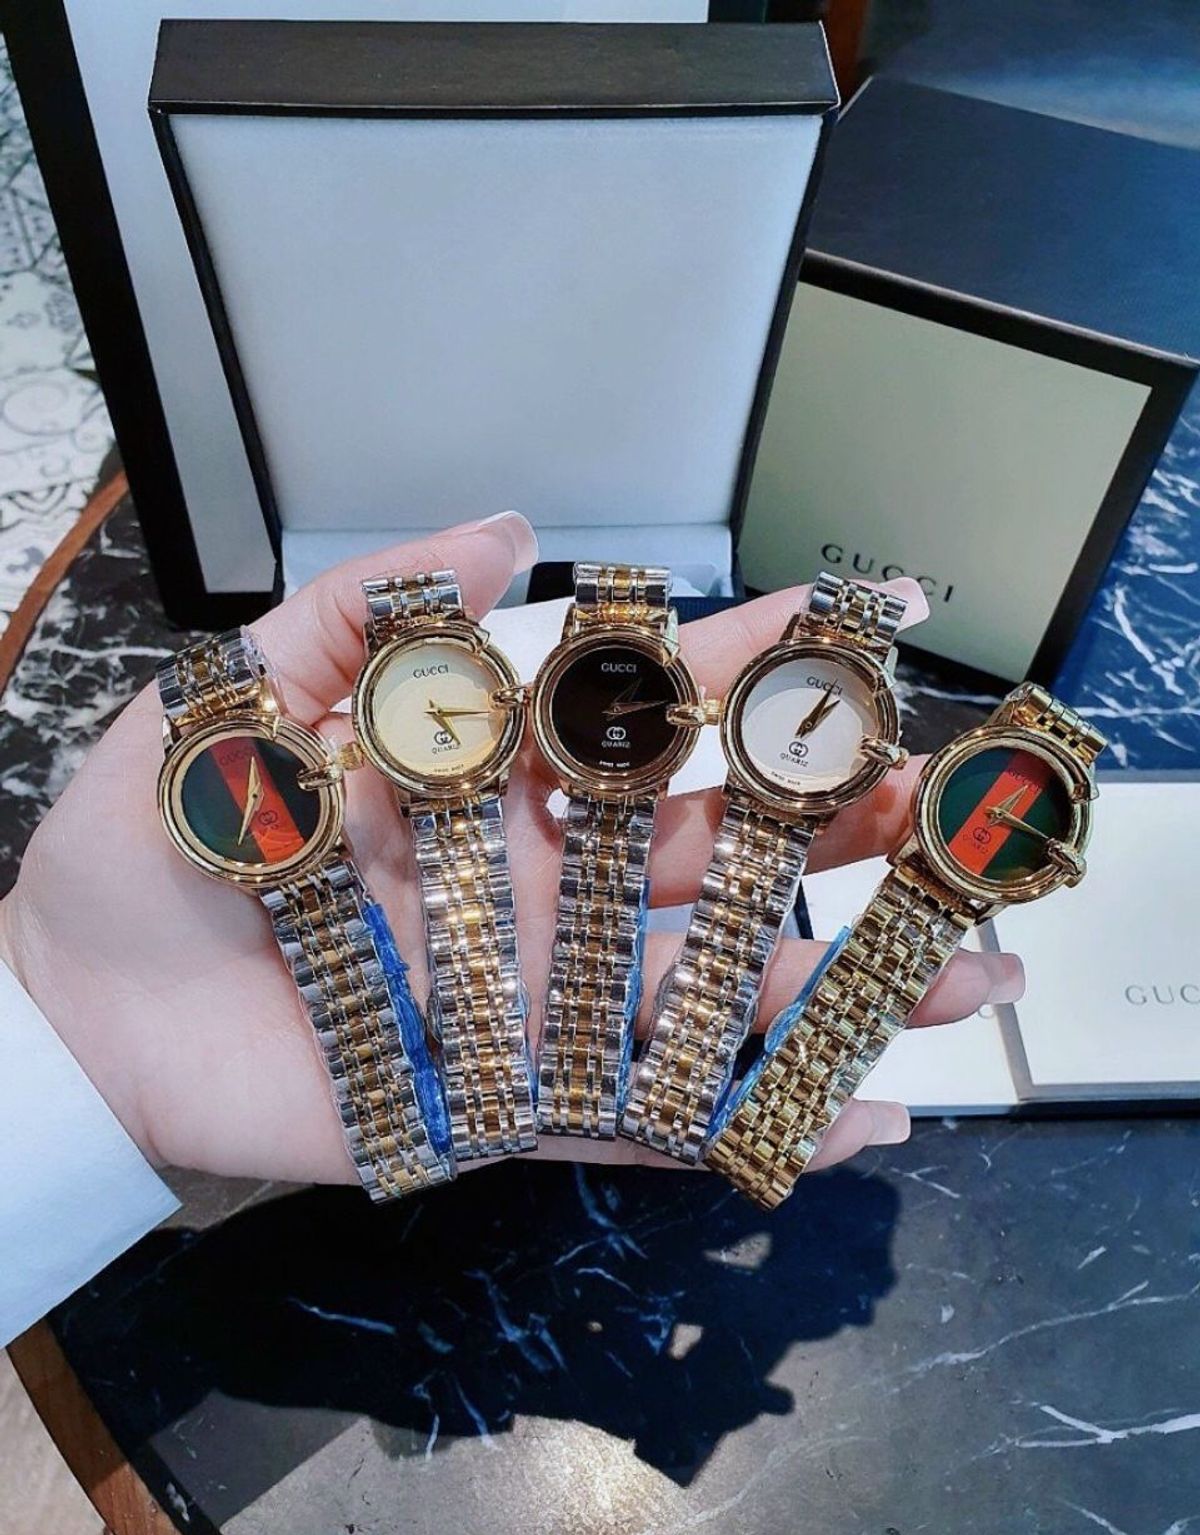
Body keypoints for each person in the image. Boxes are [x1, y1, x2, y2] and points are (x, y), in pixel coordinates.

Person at [0, 514, 1023, 1342]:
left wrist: (64, 1024)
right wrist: (61, 1002)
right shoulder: (325, 772)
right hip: (381, 834)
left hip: (680, 799)